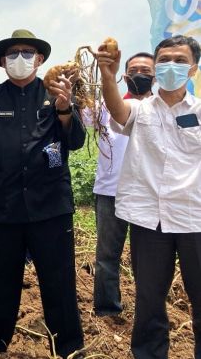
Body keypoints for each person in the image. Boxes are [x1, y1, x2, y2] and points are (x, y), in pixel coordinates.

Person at [0, 29, 86, 357]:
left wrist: (64, 108)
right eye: (13, 53)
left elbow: (74, 141)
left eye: (27, 53)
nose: (20, 59)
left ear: (40, 59)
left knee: (58, 282)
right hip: (5, 206)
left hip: (51, 207)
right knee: (0, 282)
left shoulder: (54, 93)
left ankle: (69, 349)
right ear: (3, 61)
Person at [98, 34, 201, 359]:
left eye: (181, 60)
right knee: (149, 300)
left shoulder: (199, 112)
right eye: (165, 60)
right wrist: (107, 75)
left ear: (194, 69)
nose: (172, 66)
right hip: (149, 221)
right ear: (156, 68)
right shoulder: (140, 111)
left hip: (193, 217)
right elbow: (116, 108)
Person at [91, 52, 154, 317]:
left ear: (154, 76)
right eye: (134, 69)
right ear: (124, 75)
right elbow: (71, 113)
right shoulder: (104, 106)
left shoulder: (162, 108)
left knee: (150, 260)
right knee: (107, 257)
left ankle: (149, 311)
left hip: (147, 194)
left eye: (145, 70)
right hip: (110, 193)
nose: (139, 74)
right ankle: (107, 310)